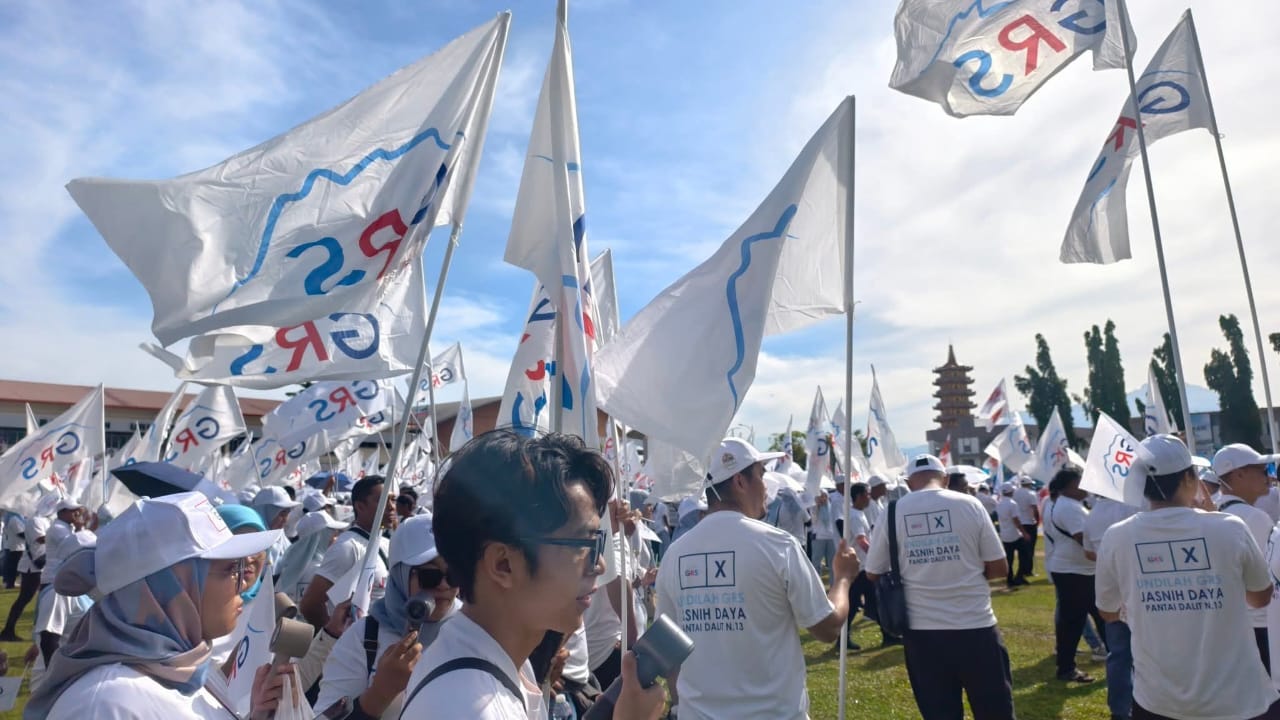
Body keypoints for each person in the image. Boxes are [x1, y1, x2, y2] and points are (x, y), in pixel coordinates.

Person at [400, 430, 663, 720]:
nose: (599, 565)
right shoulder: (469, 706)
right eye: (585, 544)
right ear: (503, 565)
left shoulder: (500, 663)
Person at [23, 492, 288, 719]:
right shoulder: (108, 704)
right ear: (170, 589)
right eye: (232, 568)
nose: (243, 583)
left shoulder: (183, 671)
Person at [656, 438, 857, 719]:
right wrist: (843, 579)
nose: (767, 487)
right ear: (740, 481)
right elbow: (827, 629)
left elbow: (667, 647)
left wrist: (680, 705)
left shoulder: (674, 554)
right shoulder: (778, 545)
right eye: (762, 476)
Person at [1097, 434, 1279, 720]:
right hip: (1235, 698)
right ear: (1189, 478)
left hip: (1158, 700)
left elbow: (1107, 612)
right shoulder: (1230, 527)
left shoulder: (1117, 536)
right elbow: (1260, 597)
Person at [865, 454, 1015, 720]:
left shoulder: (892, 511)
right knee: (996, 712)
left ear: (910, 482)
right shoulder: (971, 504)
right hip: (976, 627)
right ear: (945, 479)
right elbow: (999, 568)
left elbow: (873, 572)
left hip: (923, 634)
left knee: (939, 713)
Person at [314, 514, 460, 718]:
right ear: (401, 573)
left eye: (455, 573)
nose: (444, 586)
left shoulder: (476, 629)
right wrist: (379, 694)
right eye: (430, 576)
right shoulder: (364, 637)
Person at [1213, 443, 1279, 673]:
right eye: (1262, 470)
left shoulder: (1212, 513)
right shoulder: (1255, 518)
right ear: (1239, 474)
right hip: (1263, 623)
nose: (1268, 476)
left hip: (1231, 625)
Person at [300, 475, 394, 630]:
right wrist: (335, 640)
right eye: (383, 500)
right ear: (360, 506)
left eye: (393, 499)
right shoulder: (347, 547)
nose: (391, 506)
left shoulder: (385, 542)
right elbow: (310, 604)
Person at [1042, 469, 1103, 684]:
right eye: (1080, 483)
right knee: (1075, 622)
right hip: (1074, 571)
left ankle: (1116, 659)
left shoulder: (1062, 503)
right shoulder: (1069, 508)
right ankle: (1066, 668)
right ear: (1067, 487)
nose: (1085, 487)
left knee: (1090, 618)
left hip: (1075, 570)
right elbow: (1082, 538)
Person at [1083, 494, 1138, 720]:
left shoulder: (1092, 514)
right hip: (1139, 589)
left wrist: (1108, 560)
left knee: (1118, 654)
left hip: (1111, 589)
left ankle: (1119, 710)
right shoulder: (1134, 506)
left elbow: (1088, 553)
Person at [276, 509, 348, 602]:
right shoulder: (322, 571)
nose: (337, 539)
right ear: (322, 537)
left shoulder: (288, 563)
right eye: (333, 533)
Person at [0, 513, 49, 641]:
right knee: (24, 599)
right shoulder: (34, 520)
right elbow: (39, 539)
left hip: (36, 565)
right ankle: (8, 631)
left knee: (30, 599)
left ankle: (11, 630)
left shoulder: (42, 519)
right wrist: (58, 536)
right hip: (32, 567)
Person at [996, 484, 1029, 588]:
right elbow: (1016, 520)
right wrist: (1024, 533)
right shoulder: (1012, 504)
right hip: (1014, 534)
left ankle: (1010, 579)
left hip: (1005, 534)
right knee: (1024, 556)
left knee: (1009, 559)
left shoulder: (999, 504)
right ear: (1011, 492)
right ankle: (1019, 576)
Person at [1013, 476, 1040, 580]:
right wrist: (1037, 520)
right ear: (1029, 484)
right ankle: (1027, 570)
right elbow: (1034, 508)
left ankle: (1022, 569)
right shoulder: (1031, 494)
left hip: (1019, 523)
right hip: (1029, 523)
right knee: (1030, 548)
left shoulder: (1015, 493)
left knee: (1022, 549)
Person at [2, 511, 26, 589]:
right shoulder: (14, 519)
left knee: (14, 566)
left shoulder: (16, 518)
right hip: (17, 547)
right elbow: (20, 533)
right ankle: (10, 584)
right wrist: (31, 536)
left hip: (17, 546)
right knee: (15, 567)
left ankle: (10, 583)